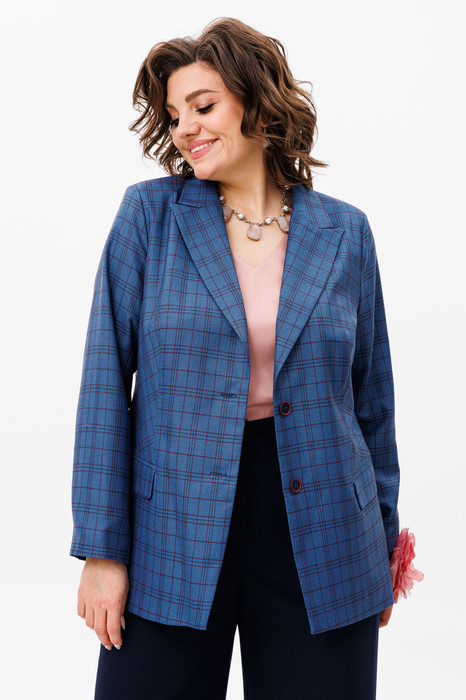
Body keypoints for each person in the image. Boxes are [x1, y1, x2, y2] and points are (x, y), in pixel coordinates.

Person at [70, 16, 423, 700]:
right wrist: (102, 550)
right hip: (172, 529)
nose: (185, 128)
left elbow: (372, 402)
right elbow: (104, 386)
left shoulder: (345, 232)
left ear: (257, 104)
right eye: (175, 115)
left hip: (326, 533)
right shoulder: (149, 219)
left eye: (202, 107)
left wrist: (382, 544)